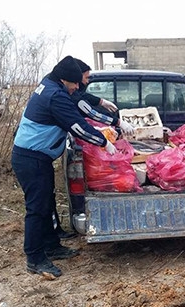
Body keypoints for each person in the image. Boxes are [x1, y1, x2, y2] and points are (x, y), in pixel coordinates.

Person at [12, 56, 117, 279]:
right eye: (75, 83)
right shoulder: (55, 96)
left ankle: (51, 245)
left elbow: (79, 101)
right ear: (64, 79)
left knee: (47, 201)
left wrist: (99, 104)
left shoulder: (51, 84)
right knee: (37, 208)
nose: (77, 87)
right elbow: (77, 126)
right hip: (31, 158)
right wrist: (104, 142)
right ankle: (35, 258)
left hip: (37, 157)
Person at [50, 58, 135, 239]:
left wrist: (101, 100)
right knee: (41, 202)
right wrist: (106, 137)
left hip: (40, 153)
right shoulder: (61, 96)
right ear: (74, 78)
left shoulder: (65, 90)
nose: (87, 82)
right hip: (35, 155)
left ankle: (52, 238)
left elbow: (84, 100)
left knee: (45, 198)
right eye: (86, 78)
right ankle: (47, 242)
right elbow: (84, 117)